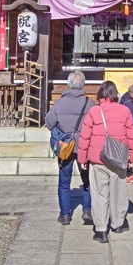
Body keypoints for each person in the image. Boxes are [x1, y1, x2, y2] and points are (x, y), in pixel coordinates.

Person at [76, 81, 133, 243]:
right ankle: (118, 224)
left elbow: (84, 137)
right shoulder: (124, 111)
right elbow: (132, 136)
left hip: (98, 159)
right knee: (119, 191)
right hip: (118, 159)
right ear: (115, 93)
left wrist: (82, 158)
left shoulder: (93, 112)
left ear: (100, 94)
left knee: (99, 194)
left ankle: (101, 229)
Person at [44, 70, 94, 227]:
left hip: (65, 146)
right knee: (87, 180)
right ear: (83, 84)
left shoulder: (59, 103)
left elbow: (49, 123)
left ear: (68, 84)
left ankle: (65, 214)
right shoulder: (90, 104)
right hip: (84, 147)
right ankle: (87, 210)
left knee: (64, 182)